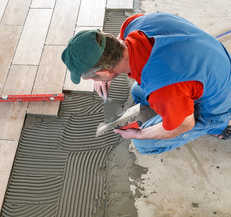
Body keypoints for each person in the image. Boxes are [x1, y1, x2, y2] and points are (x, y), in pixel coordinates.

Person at [61, 12, 231, 154]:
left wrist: (141, 133)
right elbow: (116, 46)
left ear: (104, 72)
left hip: (219, 100)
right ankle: (185, 103)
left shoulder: (163, 87)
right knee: (138, 92)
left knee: (143, 145)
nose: (93, 81)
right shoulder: (135, 24)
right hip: (213, 65)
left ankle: (222, 124)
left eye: (92, 78)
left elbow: (185, 125)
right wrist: (103, 77)